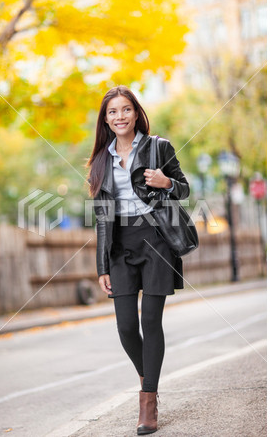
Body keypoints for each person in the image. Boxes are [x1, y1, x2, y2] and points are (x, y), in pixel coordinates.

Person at [86, 85, 190, 435]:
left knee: (151, 322)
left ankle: (148, 401)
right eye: (112, 112)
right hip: (120, 246)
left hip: (157, 239)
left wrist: (165, 182)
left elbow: (185, 188)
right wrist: (102, 265)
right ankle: (149, 375)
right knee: (127, 327)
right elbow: (102, 218)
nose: (120, 117)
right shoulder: (101, 160)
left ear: (136, 112)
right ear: (105, 119)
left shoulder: (158, 147)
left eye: (125, 109)